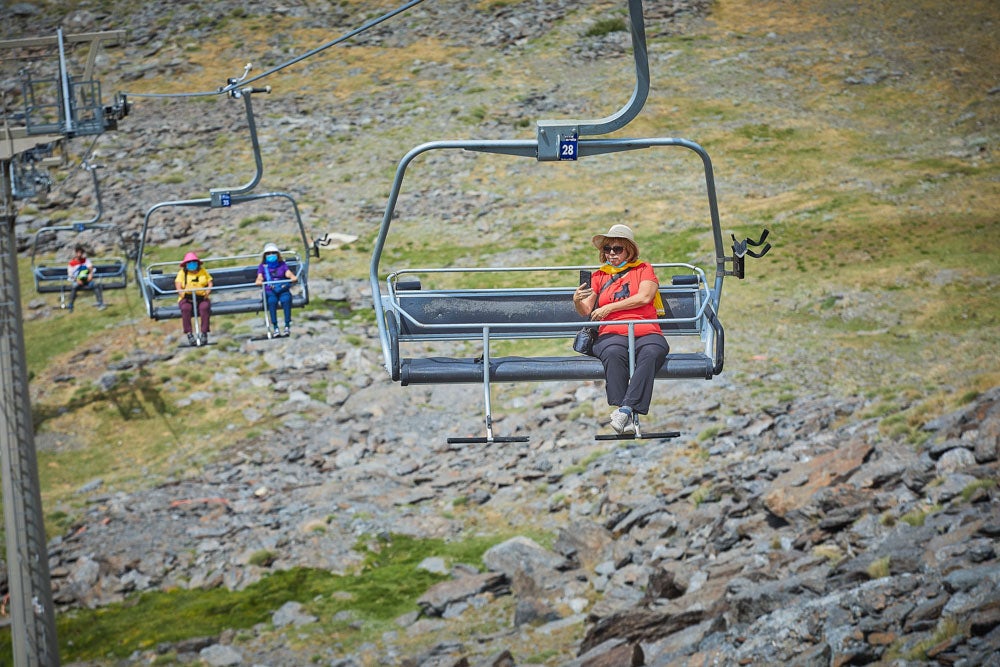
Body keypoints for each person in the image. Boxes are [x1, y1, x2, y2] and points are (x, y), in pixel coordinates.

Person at [573, 224, 669, 435]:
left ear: (629, 250)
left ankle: (624, 410)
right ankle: (625, 413)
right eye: (607, 249)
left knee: (653, 351)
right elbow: (586, 310)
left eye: (617, 249)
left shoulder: (643, 269)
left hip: (645, 328)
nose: (611, 253)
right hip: (612, 332)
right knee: (613, 352)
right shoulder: (599, 276)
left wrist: (609, 308)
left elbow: (645, 297)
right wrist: (577, 301)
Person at [254, 242, 298, 337]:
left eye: (273, 253)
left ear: (277, 254)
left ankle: (287, 325)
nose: (271, 255)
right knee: (272, 301)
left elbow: (288, 273)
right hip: (270, 290)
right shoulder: (263, 266)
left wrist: (292, 277)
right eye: (268, 253)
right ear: (265, 255)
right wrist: (259, 280)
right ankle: (275, 327)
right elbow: (260, 277)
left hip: (282, 288)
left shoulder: (282, 264)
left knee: (286, 299)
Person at [175, 251, 213, 346]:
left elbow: (210, 282)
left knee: (204, 308)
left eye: (194, 262)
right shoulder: (182, 273)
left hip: (201, 296)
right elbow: (178, 285)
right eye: (189, 263)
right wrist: (182, 294)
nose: (192, 264)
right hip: (187, 297)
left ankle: (204, 333)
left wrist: (207, 292)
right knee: (185, 308)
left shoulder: (203, 271)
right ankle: (189, 334)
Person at [66, 245, 105, 311]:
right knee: (74, 286)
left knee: (95, 285)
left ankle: (100, 303)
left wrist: (90, 275)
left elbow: (90, 268)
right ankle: (71, 304)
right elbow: (70, 274)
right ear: (76, 253)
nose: (79, 254)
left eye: (81, 253)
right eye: (78, 253)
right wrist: (77, 280)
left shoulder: (86, 261)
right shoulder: (72, 263)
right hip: (77, 281)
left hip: (87, 280)